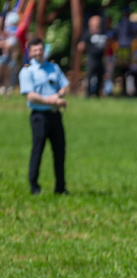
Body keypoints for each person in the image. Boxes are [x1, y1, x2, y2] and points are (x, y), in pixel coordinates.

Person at [18, 37, 69, 195]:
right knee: (38, 151)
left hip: (55, 115)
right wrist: (51, 100)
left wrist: (58, 95)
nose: (38, 52)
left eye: (40, 49)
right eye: (35, 50)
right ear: (30, 52)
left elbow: (65, 86)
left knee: (60, 151)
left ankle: (60, 188)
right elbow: (30, 96)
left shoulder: (53, 67)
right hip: (39, 117)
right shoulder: (27, 71)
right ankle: (34, 186)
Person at [78, 15, 108, 98]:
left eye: (99, 21)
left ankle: (97, 93)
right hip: (91, 58)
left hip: (101, 58)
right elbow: (81, 45)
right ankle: (88, 94)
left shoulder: (103, 32)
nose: (98, 23)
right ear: (91, 23)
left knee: (100, 77)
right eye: (96, 22)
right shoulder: (88, 33)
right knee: (90, 76)